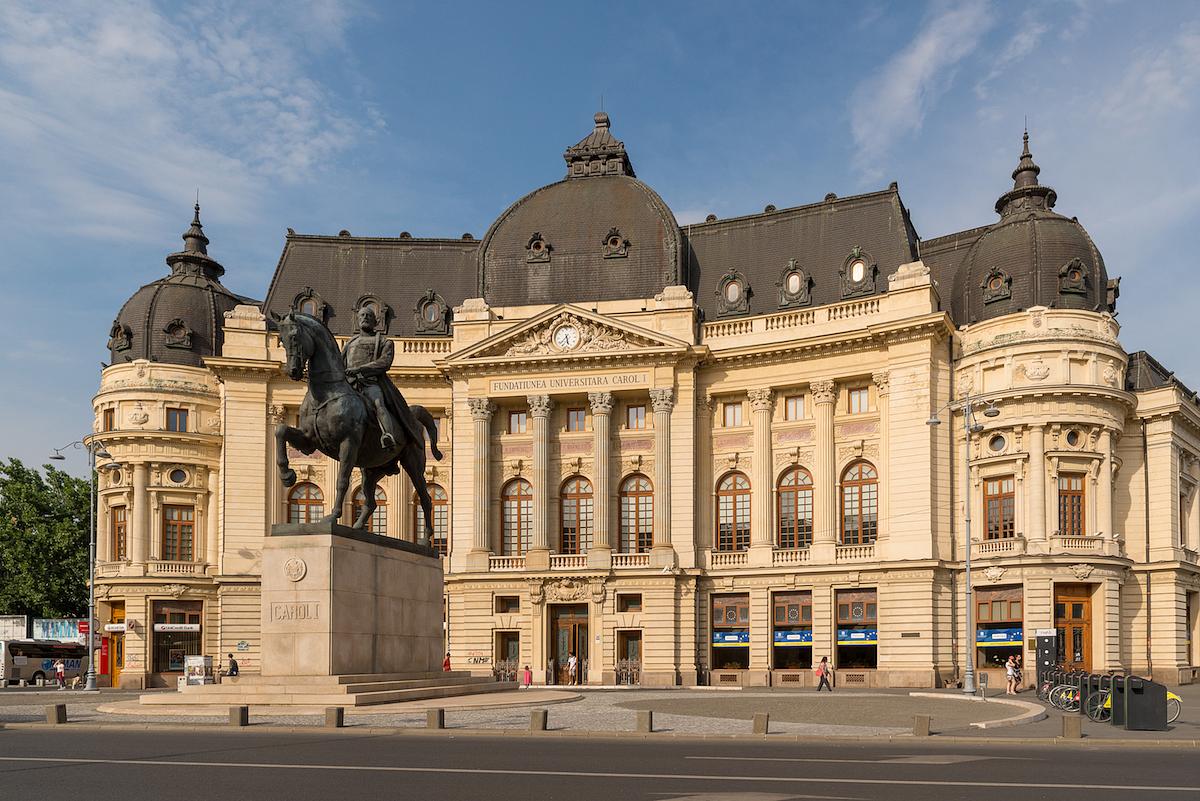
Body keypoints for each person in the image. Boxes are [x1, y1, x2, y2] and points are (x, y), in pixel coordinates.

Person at [341, 304, 423, 451]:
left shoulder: (384, 342)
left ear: (375, 322)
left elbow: (384, 363)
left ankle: (387, 435)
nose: (365, 317)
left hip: (370, 383)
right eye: (362, 315)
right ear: (357, 320)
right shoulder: (350, 343)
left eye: (369, 315)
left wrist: (360, 369)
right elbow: (339, 364)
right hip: (350, 385)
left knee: (379, 404)